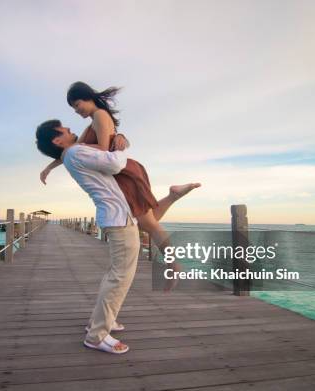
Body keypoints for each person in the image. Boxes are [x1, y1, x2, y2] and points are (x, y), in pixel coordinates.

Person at [39, 82, 200, 264]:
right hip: (121, 173)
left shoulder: (99, 115)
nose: (76, 111)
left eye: (77, 105)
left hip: (125, 173)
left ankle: (174, 265)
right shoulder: (93, 121)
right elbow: (69, 150)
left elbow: (103, 149)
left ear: (88, 98)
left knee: (148, 224)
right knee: (146, 221)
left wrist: (91, 144)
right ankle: (173, 196)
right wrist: (49, 167)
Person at [36, 119, 139, 354]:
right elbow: (114, 165)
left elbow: (92, 152)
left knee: (115, 275)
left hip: (115, 217)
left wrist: (49, 167)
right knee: (119, 278)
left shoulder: (70, 154)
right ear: (57, 139)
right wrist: (121, 147)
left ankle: (102, 321)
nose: (72, 130)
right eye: (66, 130)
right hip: (118, 218)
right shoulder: (74, 152)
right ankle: (96, 336)